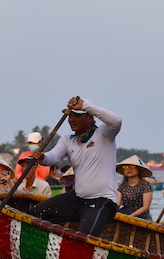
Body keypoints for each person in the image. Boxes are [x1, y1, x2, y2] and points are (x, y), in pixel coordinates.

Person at [28, 96, 122, 235]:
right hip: (77, 199)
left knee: (83, 239)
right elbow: (53, 157)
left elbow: (117, 121)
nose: (71, 119)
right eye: (69, 116)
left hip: (102, 201)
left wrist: (86, 105)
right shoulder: (67, 140)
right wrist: (42, 157)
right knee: (34, 214)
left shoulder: (103, 134)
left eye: (76, 116)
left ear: (90, 117)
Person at [115, 155, 153, 220]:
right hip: (125, 213)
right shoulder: (122, 187)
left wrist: (131, 216)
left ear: (138, 169)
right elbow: (117, 204)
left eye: (132, 166)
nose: (129, 169)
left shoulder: (145, 185)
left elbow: (146, 207)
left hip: (142, 216)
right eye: (125, 167)